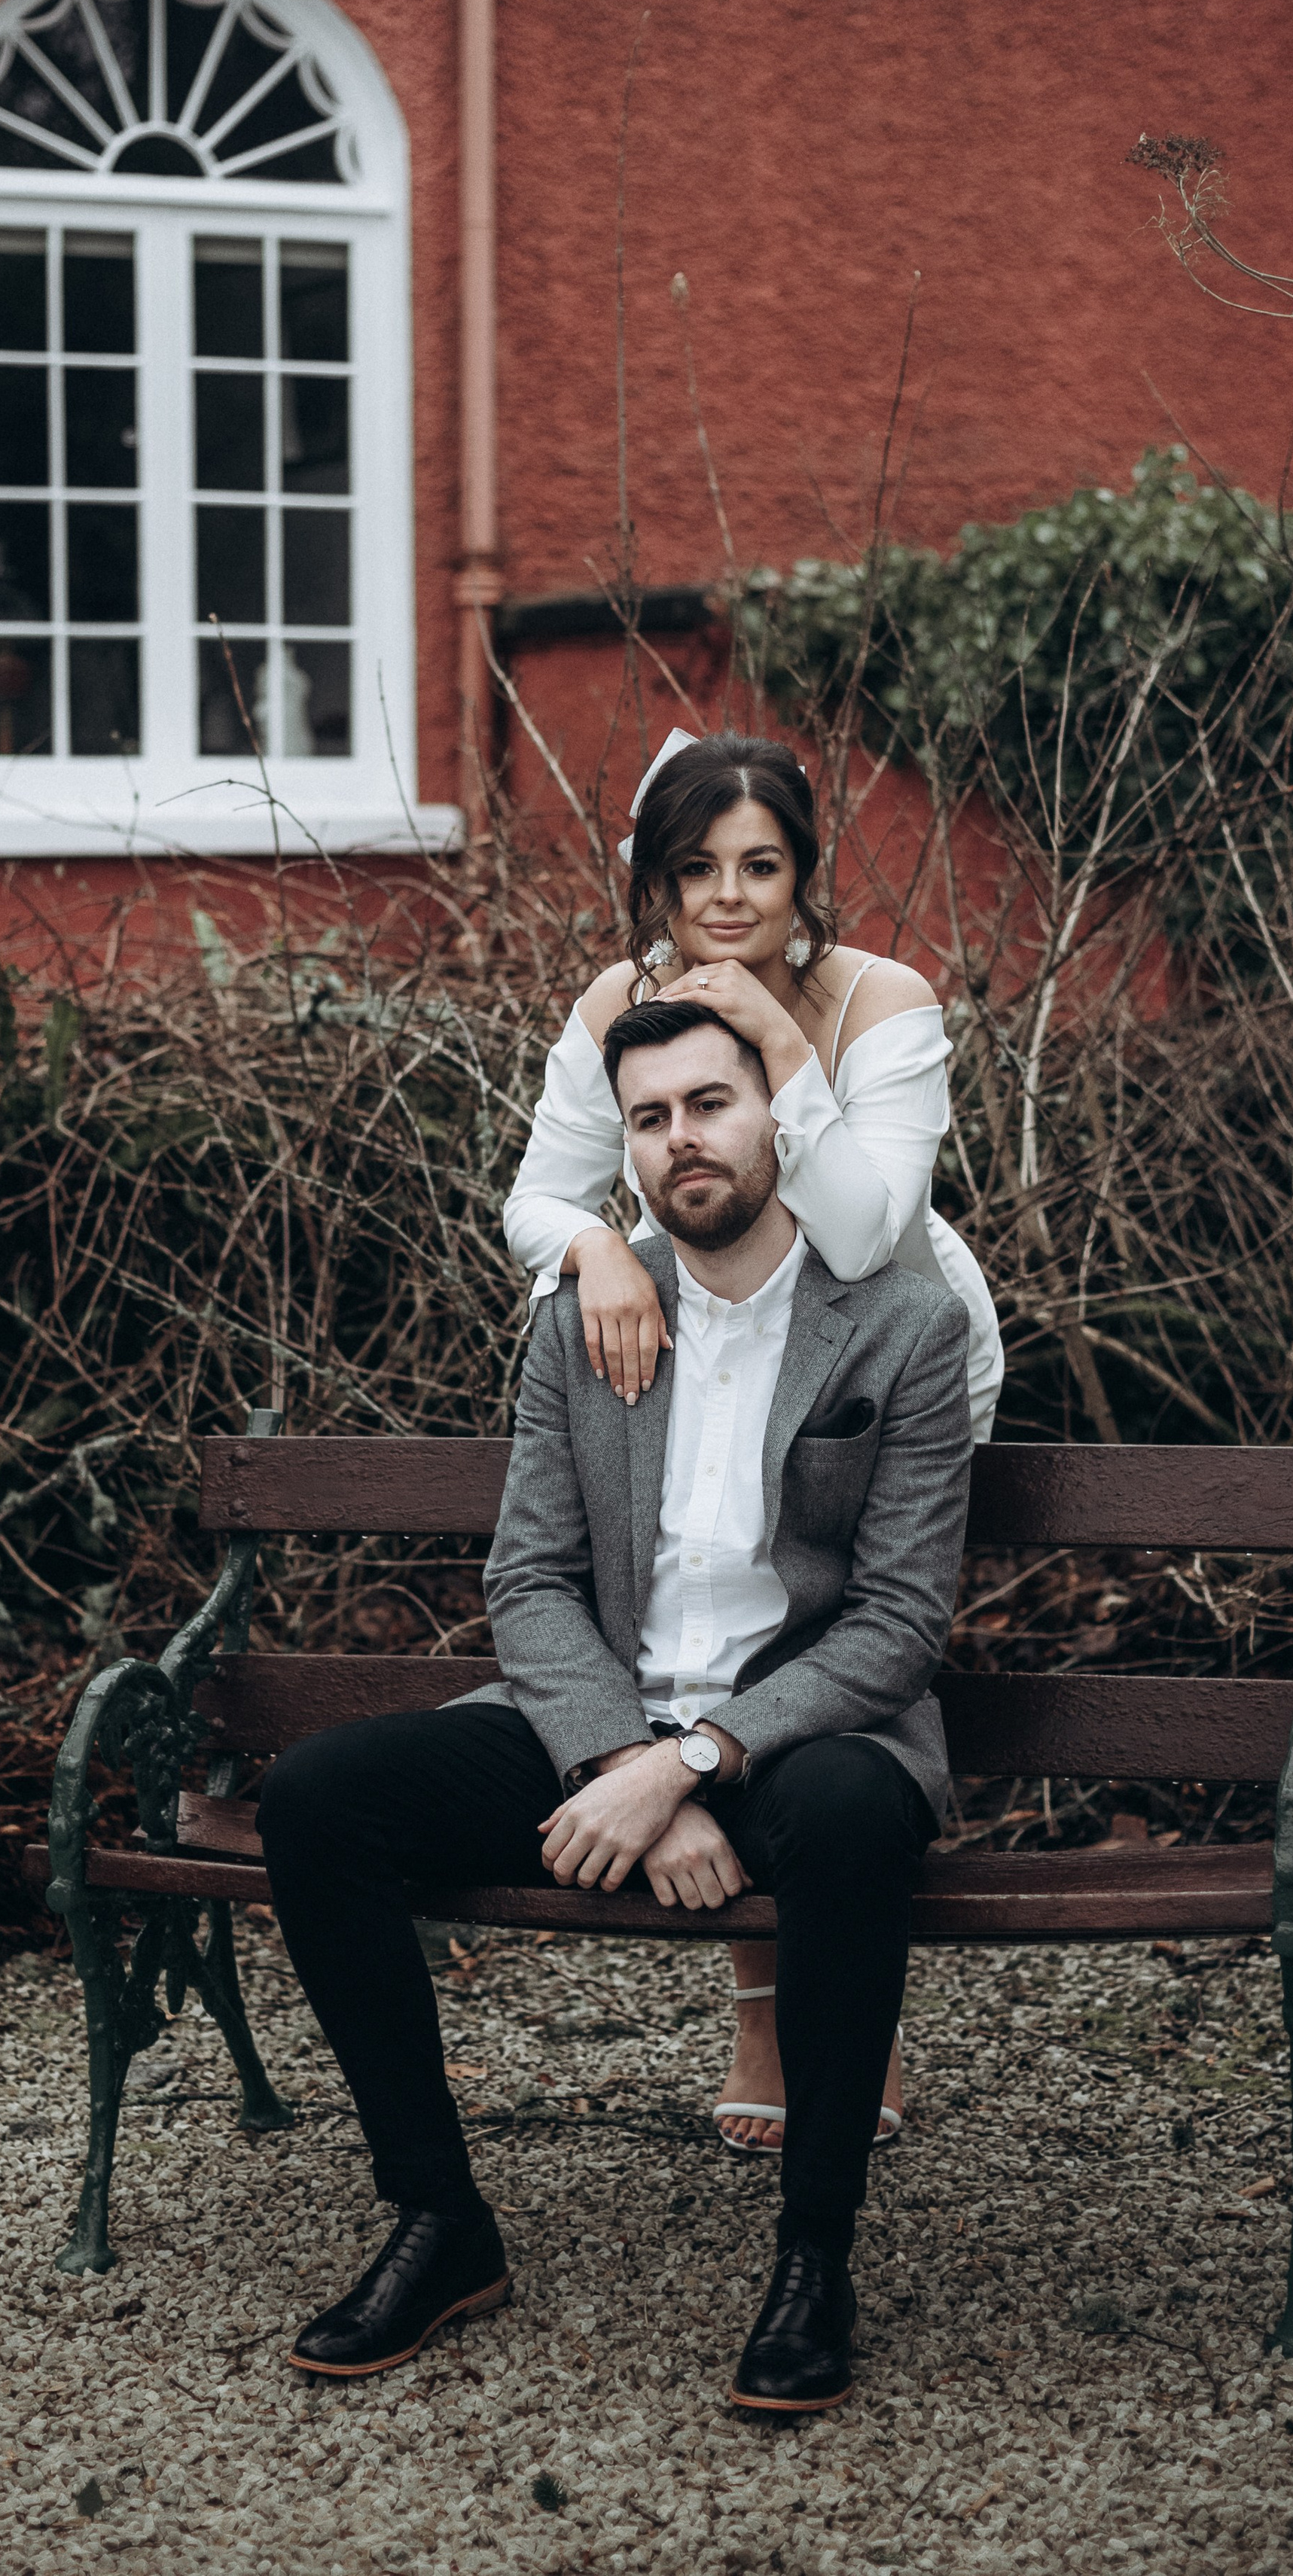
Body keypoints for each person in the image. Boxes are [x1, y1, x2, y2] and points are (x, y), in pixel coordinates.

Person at [258, 994, 974, 2412]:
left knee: (844, 1818)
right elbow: (527, 1583)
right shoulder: (586, 1319)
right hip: (596, 1723)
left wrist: (695, 1762)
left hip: (807, 1733)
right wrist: (624, 1761)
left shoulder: (902, 1321)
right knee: (318, 1797)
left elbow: (901, 1622)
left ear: (778, 1106)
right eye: (648, 1119)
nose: (681, 1141)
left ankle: (813, 2257)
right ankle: (440, 2220)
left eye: (709, 1104)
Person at [503, 728, 1002, 2154]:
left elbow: (866, 1232)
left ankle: (840, 2001)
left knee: (815, 1615)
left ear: (804, 879)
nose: (729, 899)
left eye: (761, 866)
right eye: (696, 869)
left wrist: (780, 1035)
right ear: (656, 885)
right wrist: (600, 1249)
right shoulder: (621, 999)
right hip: (690, 1316)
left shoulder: (879, 998)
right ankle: (763, 2009)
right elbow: (535, 1195)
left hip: (879, 1349)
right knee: (706, 1612)